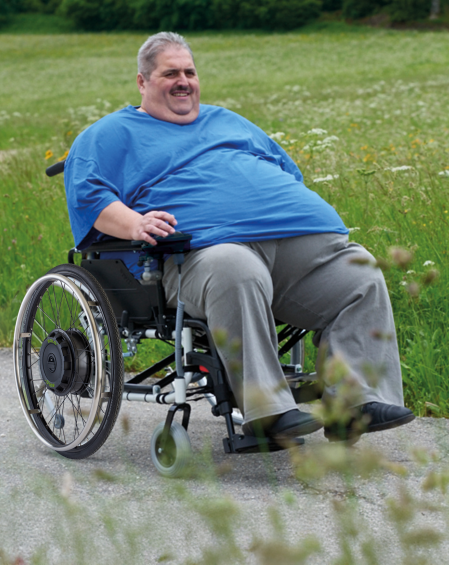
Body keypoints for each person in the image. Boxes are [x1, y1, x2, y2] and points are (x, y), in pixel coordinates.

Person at [64, 32, 414, 444]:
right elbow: (89, 195)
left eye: (190, 72)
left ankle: (355, 404)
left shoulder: (228, 121)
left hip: (290, 246)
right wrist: (134, 224)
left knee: (360, 273)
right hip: (195, 255)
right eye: (170, 73)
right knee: (236, 268)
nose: (183, 81)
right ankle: (267, 412)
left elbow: (286, 173)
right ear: (142, 82)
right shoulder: (111, 133)